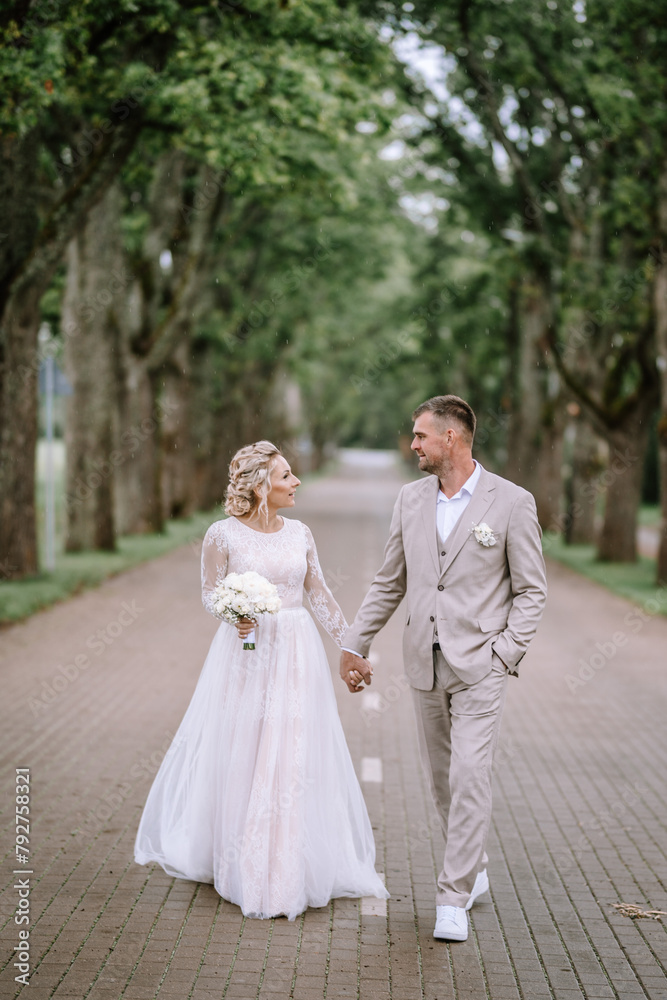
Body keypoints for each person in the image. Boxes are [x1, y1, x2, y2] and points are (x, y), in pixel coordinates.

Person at [134, 440, 388, 920]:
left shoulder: (301, 533)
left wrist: (351, 647)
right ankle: (238, 856)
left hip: (296, 651)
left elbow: (319, 594)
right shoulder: (221, 535)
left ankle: (287, 859)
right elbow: (210, 593)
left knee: (290, 746)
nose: (296, 482)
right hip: (246, 656)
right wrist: (234, 613)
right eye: (287, 476)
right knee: (245, 745)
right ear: (261, 486)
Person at [340, 395, 547, 942]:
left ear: (451, 438)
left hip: (483, 664)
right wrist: (354, 641)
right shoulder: (410, 500)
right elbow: (391, 581)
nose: (413, 445)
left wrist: (505, 654)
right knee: (442, 781)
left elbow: (531, 590)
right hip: (423, 662)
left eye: (420, 437)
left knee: (469, 773)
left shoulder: (512, 502)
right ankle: (474, 868)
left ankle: (452, 896)